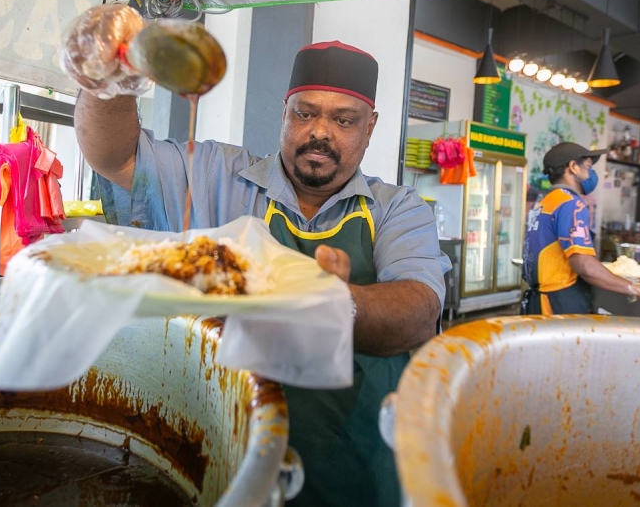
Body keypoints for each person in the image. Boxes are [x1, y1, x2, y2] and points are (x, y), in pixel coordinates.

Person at [74, 40, 450, 506]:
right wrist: (107, 75)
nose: (319, 132)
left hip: (354, 465)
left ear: (369, 127)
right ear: (284, 113)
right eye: (305, 113)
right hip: (227, 451)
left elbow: (417, 310)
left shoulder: (397, 209)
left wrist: (334, 302)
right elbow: (115, 157)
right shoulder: (218, 175)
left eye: (343, 120)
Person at [522, 142, 640, 314]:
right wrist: (637, 288)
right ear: (573, 167)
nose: (591, 174)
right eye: (588, 167)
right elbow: (584, 265)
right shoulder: (570, 203)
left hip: (539, 299)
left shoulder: (546, 201)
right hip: (557, 303)